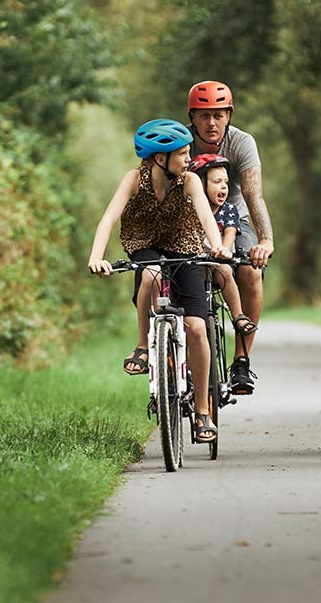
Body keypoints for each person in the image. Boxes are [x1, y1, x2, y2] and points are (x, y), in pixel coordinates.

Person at [87, 118, 230, 442]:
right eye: (182, 154)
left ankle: (202, 411)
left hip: (185, 248)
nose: (188, 159)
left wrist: (218, 246)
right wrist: (97, 257)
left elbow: (207, 218)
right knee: (150, 273)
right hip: (145, 245)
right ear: (159, 159)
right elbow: (108, 218)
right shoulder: (133, 181)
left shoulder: (191, 181)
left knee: (196, 327)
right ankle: (142, 346)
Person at [187, 80, 274, 396]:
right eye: (204, 116)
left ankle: (240, 359)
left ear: (229, 115)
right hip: (190, 220)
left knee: (251, 271)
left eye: (219, 115)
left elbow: (253, 194)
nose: (212, 123)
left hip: (233, 220)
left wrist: (265, 240)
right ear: (192, 117)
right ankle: (173, 351)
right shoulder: (182, 144)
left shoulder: (241, 143)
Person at [187, 153, 257, 339]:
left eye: (226, 182)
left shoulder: (228, 209)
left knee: (225, 271)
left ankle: (238, 315)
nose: (224, 187)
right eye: (217, 181)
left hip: (219, 260)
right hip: (197, 260)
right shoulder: (190, 208)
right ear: (201, 184)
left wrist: (224, 249)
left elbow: (230, 232)